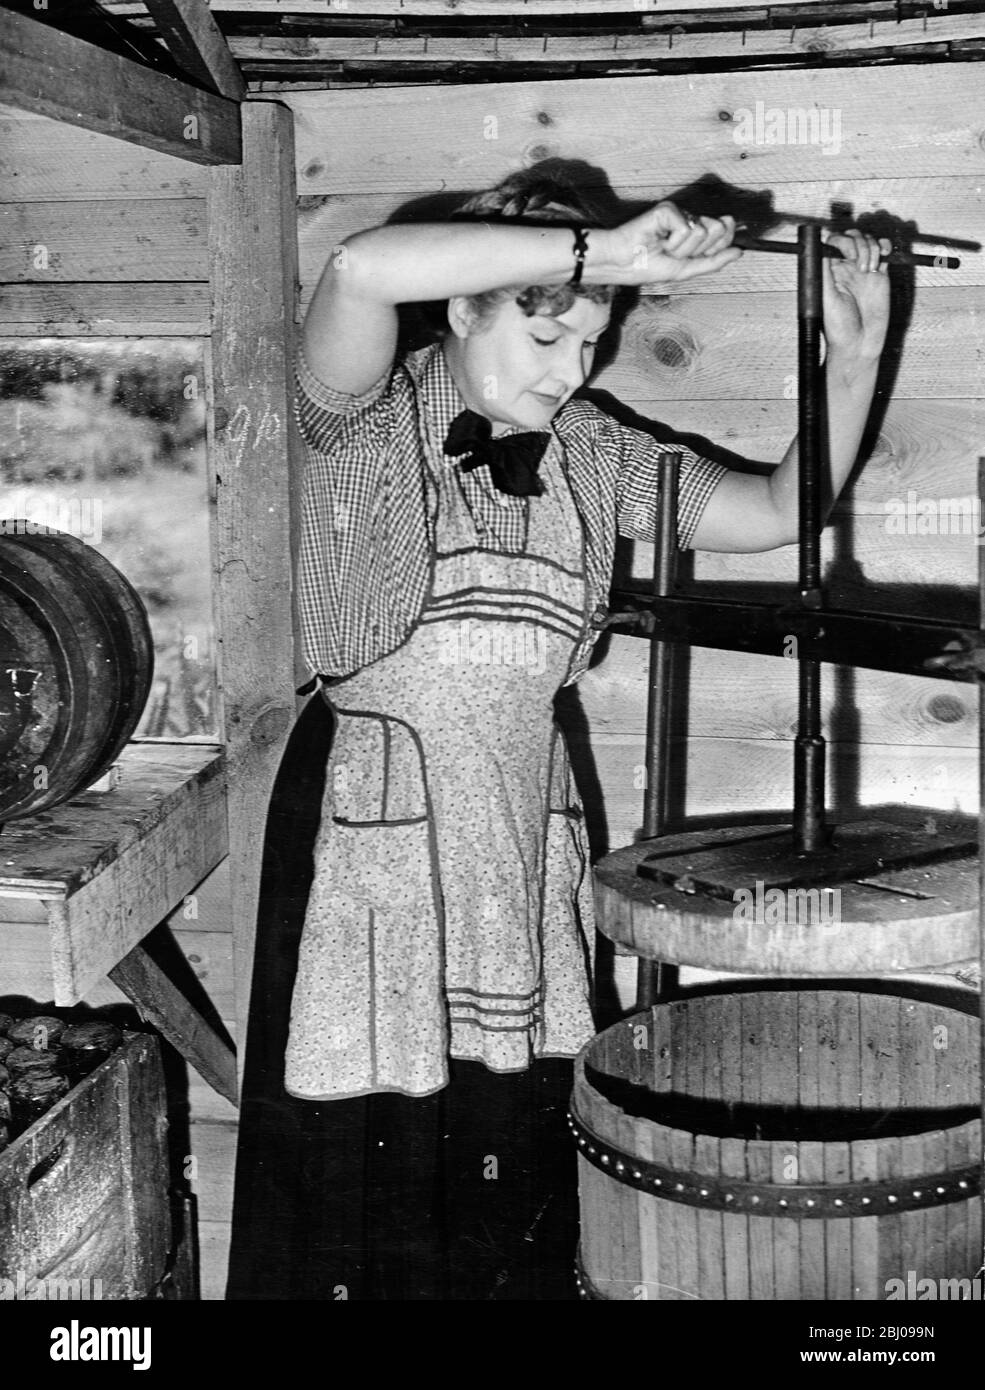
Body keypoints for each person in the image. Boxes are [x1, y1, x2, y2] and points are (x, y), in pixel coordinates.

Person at [228, 167, 890, 1301]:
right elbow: (358, 268)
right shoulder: (362, 417)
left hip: (522, 822)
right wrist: (609, 257)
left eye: (589, 345)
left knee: (508, 1147)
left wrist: (858, 358)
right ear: (464, 307)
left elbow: (780, 511)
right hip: (373, 823)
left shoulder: (592, 450)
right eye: (543, 339)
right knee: (363, 1153)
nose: (569, 369)